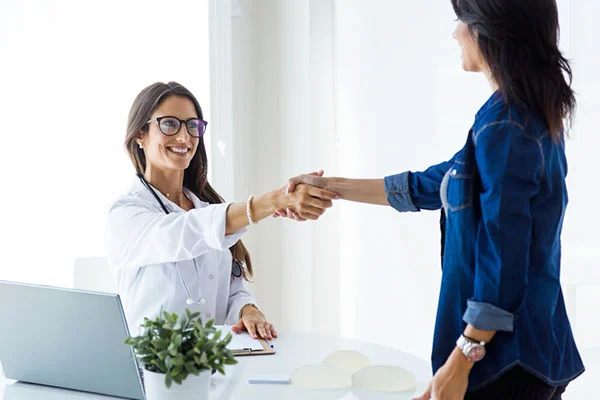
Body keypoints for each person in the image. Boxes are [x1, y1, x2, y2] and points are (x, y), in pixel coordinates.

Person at [283, 0, 584, 398]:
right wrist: (330, 186)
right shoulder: (519, 117)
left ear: (489, 31)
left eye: (461, 20)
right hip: (532, 353)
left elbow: (504, 261)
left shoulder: (506, 126)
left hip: (506, 363)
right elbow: (433, 184)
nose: (455, 32)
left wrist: (460, 360)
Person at [107, 81, 338, 340]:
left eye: (192, 126)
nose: (184, 137)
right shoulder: (126, 214)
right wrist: (273, 201)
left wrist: (247, 309)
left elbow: (229, 287)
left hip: (212, 364)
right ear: (140, 134)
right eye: (170, 124)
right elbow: (182, 233)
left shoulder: (206, 206)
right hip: (153, 373)